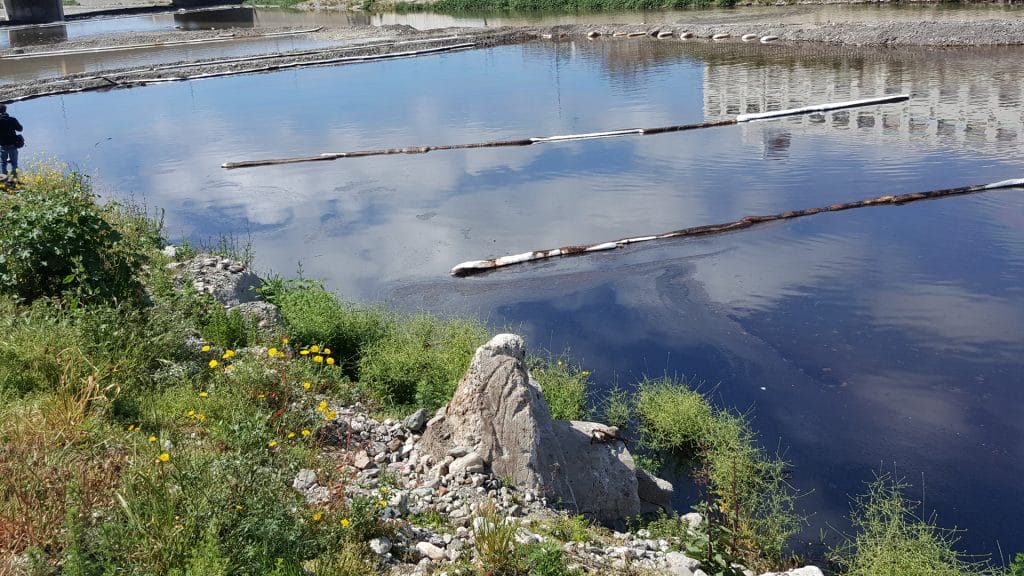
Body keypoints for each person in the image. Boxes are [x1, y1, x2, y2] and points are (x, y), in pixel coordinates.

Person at [0, 103, 25, 180]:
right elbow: (20, 129)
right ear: (5, 110)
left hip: (2, 146)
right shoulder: (12, 119)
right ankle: (14, 180)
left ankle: (3, 180)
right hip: (13, 145)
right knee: (14, 163)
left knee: (3, 163)